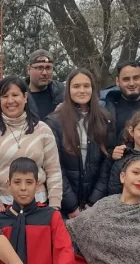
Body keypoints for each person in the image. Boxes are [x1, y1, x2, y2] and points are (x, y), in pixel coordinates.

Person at [0, 76, 62, 213]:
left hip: (39, 203)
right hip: (2, 205)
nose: (10, 101)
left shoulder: (42, 129)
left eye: (15, 95)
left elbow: (53, 169)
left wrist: (55, 203)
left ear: (25, 97)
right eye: (5, 96)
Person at [44, 68, 113, 218]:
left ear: (93, 89)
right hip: (65, 207)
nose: (82, 90)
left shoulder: (105, 120)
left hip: (95, 206)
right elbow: (54, 166)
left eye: (86, 86)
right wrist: (71, 205)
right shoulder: (55, 122)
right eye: (76, 86)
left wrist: (93, 202)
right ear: (68, 90)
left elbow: (108, 163)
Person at [102, 61, 140, 143]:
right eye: (126, 79)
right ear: (117, 81)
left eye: (136, 78)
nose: (131, 83)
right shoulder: (106, 109)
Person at [25, 50, 64, 119]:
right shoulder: (19, 96)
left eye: (48, 68)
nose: (45, 73)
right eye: (39, 68)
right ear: (28, 69)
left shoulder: (62, 95)